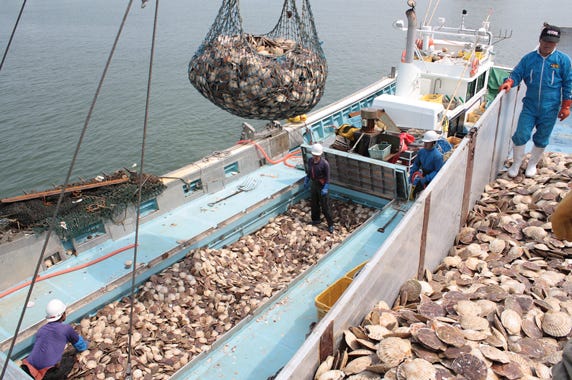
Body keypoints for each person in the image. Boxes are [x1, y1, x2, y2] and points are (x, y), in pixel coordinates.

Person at [499, 23, 572, 178]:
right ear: (540, 39)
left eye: (551, 42)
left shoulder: (564, 61)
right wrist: (509, 82)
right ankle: (517, 163)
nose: (547, 44)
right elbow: (517, 73)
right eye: (545, 40)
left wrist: (566, 106)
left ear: (556, 43)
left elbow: (568, 83)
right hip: (530, 106)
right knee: (521, 134)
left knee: (542, 137)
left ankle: (532, 164)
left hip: (550, 107)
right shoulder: (529, 59)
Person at [21, 299, 88, 380]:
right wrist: (87, 344)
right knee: (71, 360)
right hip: (46, 376)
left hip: (27, 368)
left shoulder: (41, 329)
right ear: (63, 315)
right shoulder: (66, 329)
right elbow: (81, 346)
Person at [304, 143, 334, 233]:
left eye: (317, 156)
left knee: (325, 206)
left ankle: (330, 224)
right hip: (314, 184)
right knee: (314, 203)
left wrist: (326, 188)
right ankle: (316, 219)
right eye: (314, 155)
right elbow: (309, 172)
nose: (315, 157)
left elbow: (328, 178)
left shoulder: (325, 164)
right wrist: (307, 180)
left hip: (322, 185)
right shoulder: (310, 161)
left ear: (320, 155)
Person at [409, 130, 444, 198]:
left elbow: (437, 171)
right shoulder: (421, 152)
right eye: (425, 142)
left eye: (427, 143)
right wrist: (411, 173)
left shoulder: (437, 156)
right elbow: (416, 164)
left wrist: (427, 178)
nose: (425, 144)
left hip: (432, 179)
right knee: (415, 193)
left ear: (433, 143)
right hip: (424, 175)